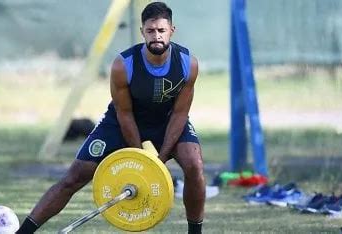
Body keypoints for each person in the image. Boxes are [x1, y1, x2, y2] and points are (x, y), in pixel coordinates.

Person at [16, 2, 205, 233]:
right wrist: (142, 161)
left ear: (171, 31)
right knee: (74, 177)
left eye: (161, 31)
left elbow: (180, 113)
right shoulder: (123, 65)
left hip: (167, 121)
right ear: (142, 31)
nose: (156, 36)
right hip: (120, 123)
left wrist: (160, 159)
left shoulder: (188, 64)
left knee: (194, 166)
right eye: (150, 31)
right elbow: (124, 114)